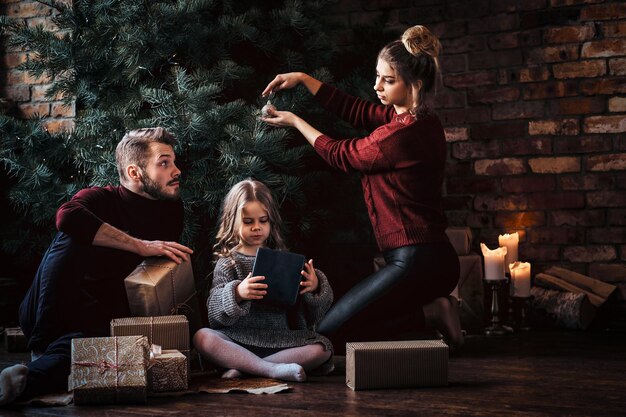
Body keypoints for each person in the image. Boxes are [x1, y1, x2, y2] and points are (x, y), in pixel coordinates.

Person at [261, 25, 463, 349]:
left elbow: (342, 155)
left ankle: (434, 313)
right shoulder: (419, 120)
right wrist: (303, 77)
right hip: (431, 258)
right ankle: (434, 312)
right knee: (352, 325)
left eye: (388, 80)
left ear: (415, 84)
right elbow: (357, 109)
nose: (377, 86)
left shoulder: (400, 136)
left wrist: (296, 121)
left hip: (416, 261)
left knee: (330, 334)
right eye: (377, 76)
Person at [0, 127, 194, 405]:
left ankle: (23, 379)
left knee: (85, 352)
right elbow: (66, 217)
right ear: (134, 173)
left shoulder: (172, 209)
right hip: (50, 310)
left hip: (96, 318)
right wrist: (141, 245)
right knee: (71, 234)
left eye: (173, 162)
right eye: (164, 163)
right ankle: (42, 345)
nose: (176, 170)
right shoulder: (101, 198)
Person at [193, 179, 333, 382]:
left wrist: (314, 287)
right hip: (237, 340)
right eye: (248, 222)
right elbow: (215, 315)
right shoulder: (228, 263)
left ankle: (246, 368)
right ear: (233, 221)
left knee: (323, 348)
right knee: (203, 337)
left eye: (263, 220)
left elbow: (312, 316)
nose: (257, 227)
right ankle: (270, 370)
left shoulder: (283, 261)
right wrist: (237, 293)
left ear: (271, 221)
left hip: (279, 339)